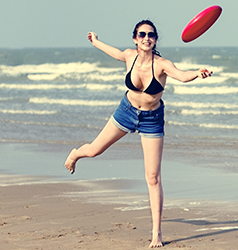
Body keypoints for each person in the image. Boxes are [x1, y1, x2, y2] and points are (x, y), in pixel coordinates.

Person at [64, 20, 211, 248]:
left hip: (152, 120)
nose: (146, 38)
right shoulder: (129, 56)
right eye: (142, 34)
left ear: (155, 39)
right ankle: (75, 154)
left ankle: (156, 234)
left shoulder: (162, 64)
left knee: (153, 178)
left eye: (151, 35)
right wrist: (95, 41)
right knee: (93, 151)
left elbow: (181, 75)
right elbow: (112, 52)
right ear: (135, 38)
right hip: (126, 112)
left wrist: (198, 73)